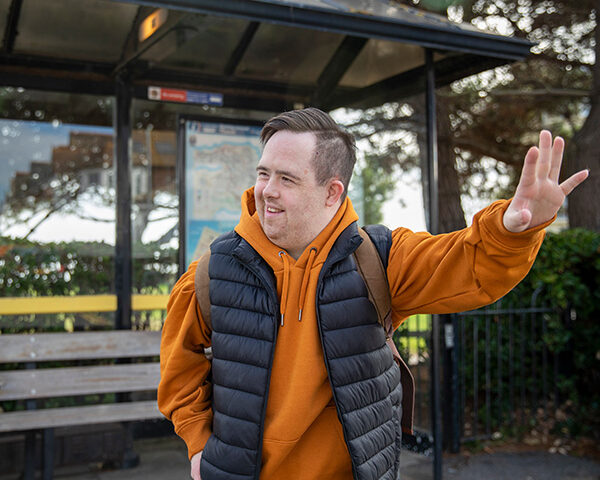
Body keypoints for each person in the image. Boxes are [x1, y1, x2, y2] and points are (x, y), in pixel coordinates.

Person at [158, 108, 588, 480]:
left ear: (332, 192)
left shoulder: (379, 260)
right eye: (264, 173)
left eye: (287, 178)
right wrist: (198, 445)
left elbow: (467, 264)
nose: (266, 190)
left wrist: (515, 228)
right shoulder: (215, 271)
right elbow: (180, 370)